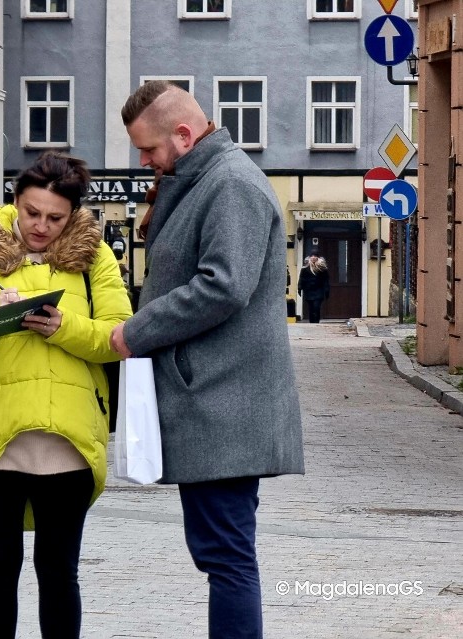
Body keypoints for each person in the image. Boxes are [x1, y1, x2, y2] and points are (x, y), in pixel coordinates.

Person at [111, 81, 304, 638]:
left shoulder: (231, 184)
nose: (144, 160)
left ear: (184, 133)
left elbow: (223, 286)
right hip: (216, 403)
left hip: (225, 405)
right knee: (222, 554)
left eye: (148, 149)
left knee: (227, 559)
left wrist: (137, 332)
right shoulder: (204, 179)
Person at [0, 151, 132, 638]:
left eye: (55, 218)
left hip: (69, 444)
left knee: (59, 573)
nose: (41, 226)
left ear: (73, 215)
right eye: (31, 212)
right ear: (15, 202)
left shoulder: (94, 256)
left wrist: (64, 327)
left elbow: (120, 336)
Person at [298, 253, 330, 323]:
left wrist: (327, 290)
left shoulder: (322, 269)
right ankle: (311, 322)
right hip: (309, 291)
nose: (313, 257)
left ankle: (316, 321)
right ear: (309, 258)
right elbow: (301, 279)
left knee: (316, 307)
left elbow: (326, 280)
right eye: (311, 256)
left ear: (318, 258)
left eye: (315, 256)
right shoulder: (305, 268)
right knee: (311, 308)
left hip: (319, 290)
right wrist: (299, 288)